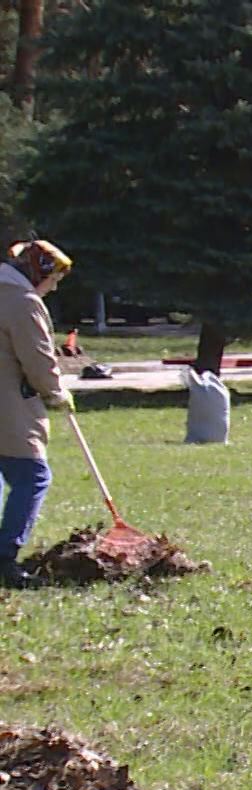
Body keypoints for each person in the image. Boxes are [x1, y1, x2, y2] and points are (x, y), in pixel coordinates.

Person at [0, 240, 75, 588]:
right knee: (33, 476)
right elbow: (38, 360)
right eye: (54, 278)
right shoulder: (22, 302)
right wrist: (57, 393)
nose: (54, 286)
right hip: (8, 405)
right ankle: (5, 559)